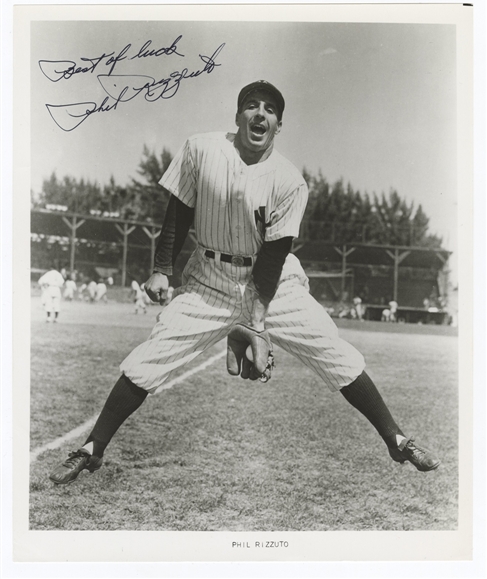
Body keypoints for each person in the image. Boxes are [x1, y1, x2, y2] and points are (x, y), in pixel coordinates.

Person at [49, 80, 440, 485]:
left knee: (332, 348)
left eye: (270, 110)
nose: (260, 114)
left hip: (274, 284)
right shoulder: (200, 149)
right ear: (237, 117)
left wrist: (255, 321)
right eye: (251, 106)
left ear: (278, 124)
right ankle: (92, 449)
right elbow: (178, 212)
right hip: (209, 281)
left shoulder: (290, 181)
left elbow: (272, 258)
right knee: (154, 353)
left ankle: (396, 439)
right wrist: (162, 267)